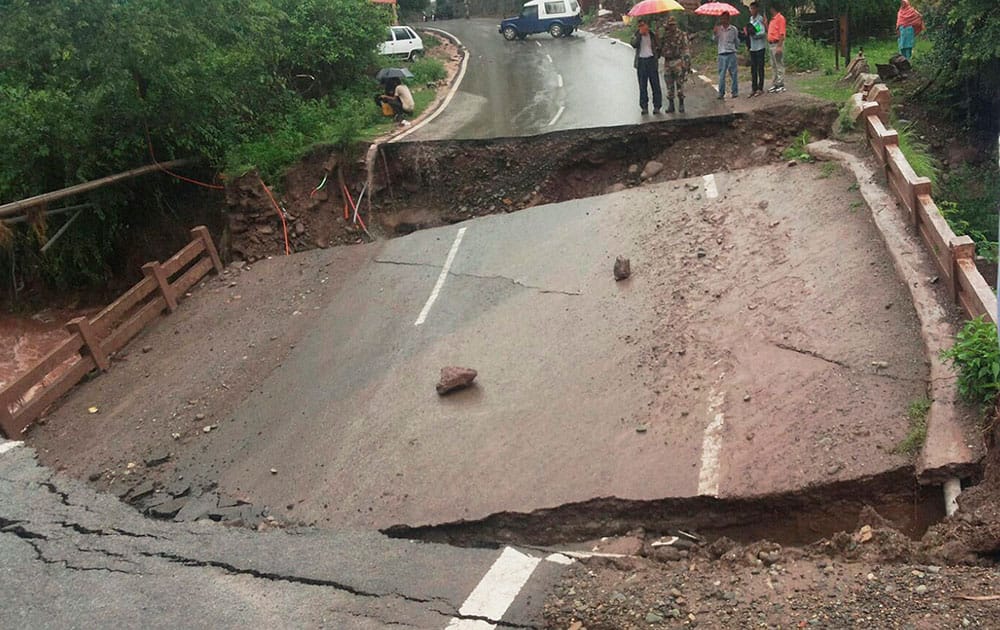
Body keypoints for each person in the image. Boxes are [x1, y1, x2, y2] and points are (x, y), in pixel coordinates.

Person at [660, 15, 690, 113]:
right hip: (668, 61)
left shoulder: (681, 34)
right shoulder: (665, 35)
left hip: (678, 61)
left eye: (673, 25)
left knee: (679, 83)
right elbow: (659, 46)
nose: (671, 26)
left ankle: (681, 104)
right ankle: (671, 105)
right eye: (670, 25)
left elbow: (685, 48)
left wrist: (687, 63)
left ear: (675, 25)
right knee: (669, 84)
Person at [631, 19, 662, 115]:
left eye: (644, 25)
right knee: (642, 86)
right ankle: (644, 107)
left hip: (651, 61)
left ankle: (657, 106)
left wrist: (657, 36)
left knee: (655, 85)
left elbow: (659, 45)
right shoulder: (637, 35)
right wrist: (640, 35)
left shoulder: (652, 35)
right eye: (640, 26)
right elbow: (633, 44)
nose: (642, 27)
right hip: (641, 62)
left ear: (647, 26)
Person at [714, 13, 739, 99]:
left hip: (731, 53)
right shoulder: (718, 29)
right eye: (722, 18)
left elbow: (736, 41)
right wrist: (714, 33)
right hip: (721, 54)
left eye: (725, 18)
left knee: (734, 74)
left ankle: (735, 92)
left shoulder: (733, 29)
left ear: (728, 19)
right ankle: (721, 93)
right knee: (721, 75)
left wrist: (735, 49)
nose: (723, 20)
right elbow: (715, 40)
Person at [746, 2, 767, 97]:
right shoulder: (750, 19)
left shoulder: (760, 19)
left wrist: (754, 34)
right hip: (753, 47)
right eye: (750, 9)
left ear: (756, 9)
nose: (751, 10)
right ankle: (753, 88)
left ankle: (760, 88)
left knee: (760, 68)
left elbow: (762, 32)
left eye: (753, 8)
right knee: (753, 68)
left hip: (760, 47)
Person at [766, 4, 787, 93]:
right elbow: (770, 31)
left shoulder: (780, 18)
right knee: (773, 65)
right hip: (771, 44)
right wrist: (766, 24)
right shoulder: (772, 19)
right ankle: (775, 84)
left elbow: (782, 33)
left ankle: (781, 84)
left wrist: (779, 46)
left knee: (779, 65)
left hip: (777, 43)